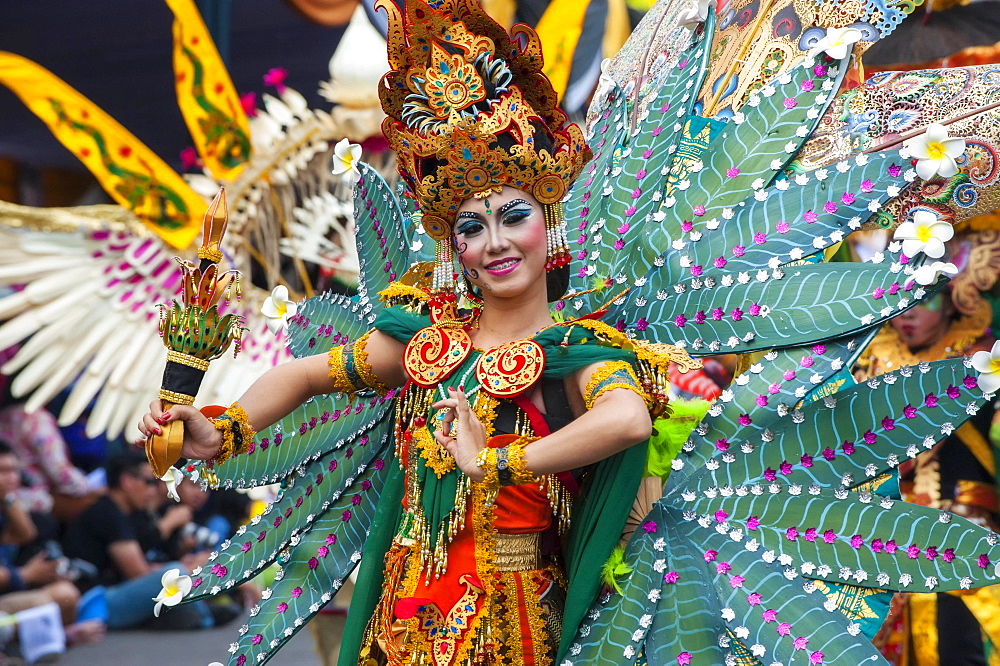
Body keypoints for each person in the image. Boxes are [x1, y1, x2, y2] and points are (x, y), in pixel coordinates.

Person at [137, 1, 1000, 665]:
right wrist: (220, 428)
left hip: (518, 621)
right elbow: (305, 377)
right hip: (401, 614)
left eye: (513, 215)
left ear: (549, 223)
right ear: (453, 247)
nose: (494, 241)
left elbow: (623, 422)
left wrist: (501, 461)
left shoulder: (580, 351)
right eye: (469, 227)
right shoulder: (427, 341)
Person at [62, 451, 213, 631]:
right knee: (176, 573)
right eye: (149, 482)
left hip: (109, 594)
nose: (153, 490)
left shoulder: (125, 513)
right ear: (127, 481)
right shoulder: (108, 513)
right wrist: (187, 567)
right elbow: (138, 573)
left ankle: (197, 615)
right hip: (94, 604)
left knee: (177, 573)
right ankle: (202, 617)